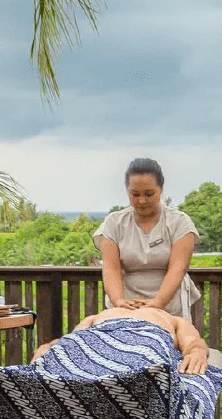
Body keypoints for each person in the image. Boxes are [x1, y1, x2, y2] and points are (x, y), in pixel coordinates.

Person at [92, 158, 202, 321]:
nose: (142, 201)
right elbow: (111, 269)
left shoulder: (179, 222)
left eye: (149, 194)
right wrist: (119, 302)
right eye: (135, 194)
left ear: (161, 189)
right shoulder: (114, 222)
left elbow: (177, 268)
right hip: (126, 305)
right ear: (127, 191)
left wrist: (158, 303)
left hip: (170, 305)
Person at [30, 306, 210, 374]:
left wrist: (197, 353)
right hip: (101, 335)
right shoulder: (100, 315)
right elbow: (74, 340)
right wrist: (47, 348)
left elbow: (193, 341)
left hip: (146, 338)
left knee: (142, 357)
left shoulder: (169, 318)